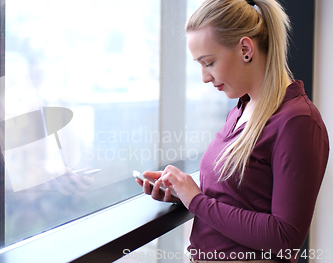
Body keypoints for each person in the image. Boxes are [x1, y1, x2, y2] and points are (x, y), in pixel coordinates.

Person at [136, 0, 329, 262]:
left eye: (209, 62)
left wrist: (196, 200)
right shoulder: (242, 109)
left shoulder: (298, 121)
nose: (204, 77)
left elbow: (285, 238)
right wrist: (182, 193)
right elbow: (237, 199)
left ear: (246, 49)